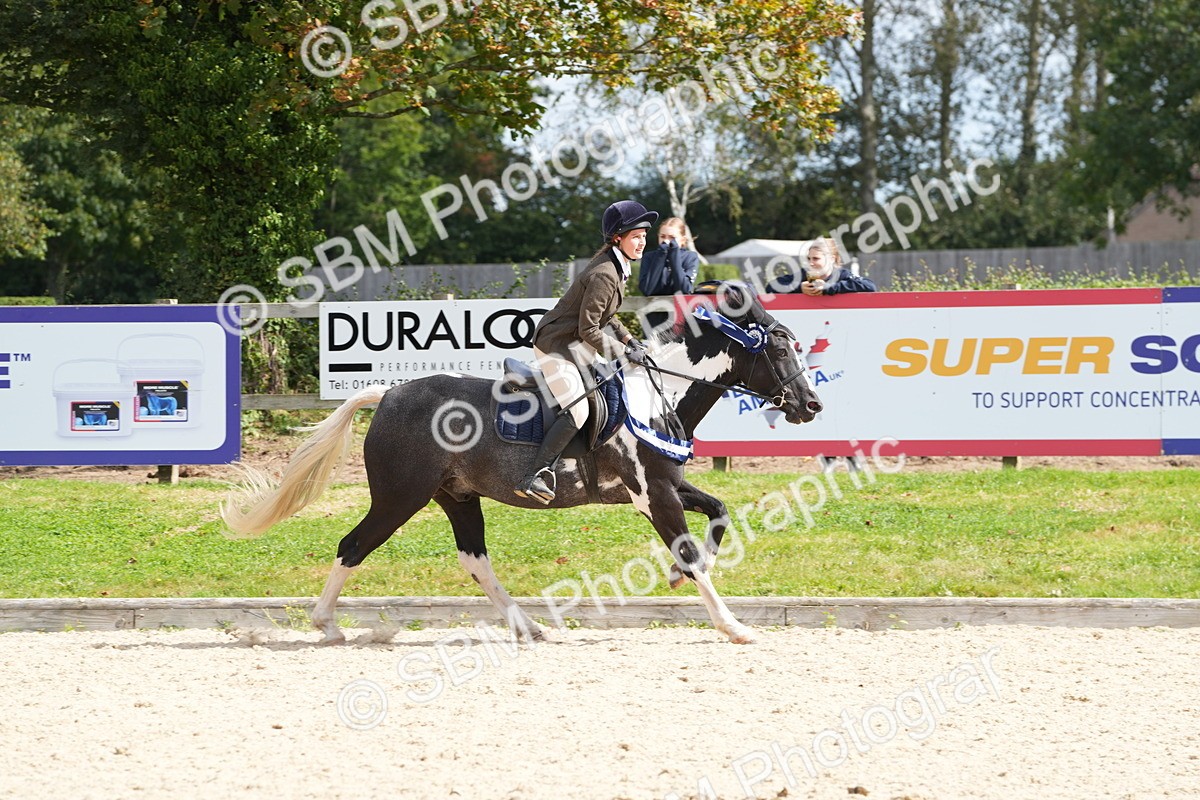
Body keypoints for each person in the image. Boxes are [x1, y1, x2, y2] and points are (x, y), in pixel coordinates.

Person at [514, 199, 657, 504]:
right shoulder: (605, 273)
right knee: (578, 409)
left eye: (644, 235)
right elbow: (588, 330)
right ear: (618, 237)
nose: (642, 241)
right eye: (636, 236)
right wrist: (621, 351)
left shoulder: (619, 266)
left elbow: (608, 315)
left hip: (575, 345)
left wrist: (629, 339)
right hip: (556, 346)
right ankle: (534, 474)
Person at [637, 217, 700, 295]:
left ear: (682, 240)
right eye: (662, 237)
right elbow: (646, 289)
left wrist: (674, 255)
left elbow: (685, 289)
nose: (666, 241)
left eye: (672, 238)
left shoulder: (690, 257)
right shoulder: (649, 257)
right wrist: (661, 255)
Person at [795, 237, 877, 295]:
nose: (810, 263)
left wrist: (829, 287)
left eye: (816, 258)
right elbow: (782, 284)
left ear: (831, 259)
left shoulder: (842, 274)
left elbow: (869, 286)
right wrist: (800, 288)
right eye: (809, 259)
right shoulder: (804, 274)